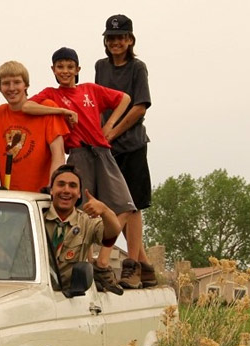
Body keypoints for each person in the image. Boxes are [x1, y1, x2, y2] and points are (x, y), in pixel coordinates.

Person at [25, 47, 136, 290]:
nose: (65, 71)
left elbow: (125, 99)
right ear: (53, 70)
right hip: (77, 153)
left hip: (102, 150)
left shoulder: (90, 89)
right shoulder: (51, 94)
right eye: (60, 67)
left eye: (69, 66)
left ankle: (102, 263)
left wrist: (110, 126)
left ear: (77, 69)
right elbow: (26, 106)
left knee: (125, 205)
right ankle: (86, 266)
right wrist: (62, 111)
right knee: (80, 211)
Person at [95, 14, 157, 288]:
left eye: (121, 37)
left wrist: (112, 131)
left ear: (130, 40)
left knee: (132, 205)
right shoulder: (100, 67)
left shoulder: (137, 68)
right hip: (105, 146)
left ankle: (131, 266)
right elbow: (97, 101)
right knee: (112, 205)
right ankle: (145, 266)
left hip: (131, 144)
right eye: (111, 38)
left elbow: (139, 107)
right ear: (105, 41)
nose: (116, 42)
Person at [0, 61, 69, 193]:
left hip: (41, 196)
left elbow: (58, 154)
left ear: (26, 85)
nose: (11, 88)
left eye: (17, 82)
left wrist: (52, 188)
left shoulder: (47, 108)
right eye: (6, 83)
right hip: (10, 197)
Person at [44, 165, 123, 295]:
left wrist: (104, 210)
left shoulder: (86, 222)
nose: (66, 190)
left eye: (73, 186)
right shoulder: (36, 216)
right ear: (51, 190)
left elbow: (113, 232)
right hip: (37, 293)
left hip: (68, 297)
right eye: (61, 184)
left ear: (79, 193)